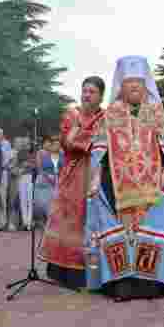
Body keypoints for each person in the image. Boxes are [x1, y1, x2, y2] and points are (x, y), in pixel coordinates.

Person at [83, 56, 164, 301]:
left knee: (150, 233)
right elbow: (100, 151)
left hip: (153, 187)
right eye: (129, 82)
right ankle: (120, 283)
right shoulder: (111, 114)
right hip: (116, 187)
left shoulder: (156, 112)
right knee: (120, 235)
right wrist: (94, 179)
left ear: (146, 85)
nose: (134, 86)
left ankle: (149, 284)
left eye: (138, 82)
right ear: (121, 86)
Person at [40, 77, 107, 290]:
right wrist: (93, 139)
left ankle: (93, 271)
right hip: (73, 176)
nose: (87, 95)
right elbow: (69, 142)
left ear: (101, 96)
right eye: (84, 90)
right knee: (68, 221)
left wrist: (92, 137)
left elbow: (107, 141)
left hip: (97, 175)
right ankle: (64, 272)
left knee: (93, 220)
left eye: (92, 92)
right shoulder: (72, 114)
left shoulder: (106, 117)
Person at [34, 134, 62, 226]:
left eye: (57, 144)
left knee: (56, 204)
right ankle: (45, 222)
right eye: (53, 143)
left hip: (57, 181)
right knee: (44, 204)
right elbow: (40, 168)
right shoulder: (44, 154)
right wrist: (48, 176)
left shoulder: (61, 154)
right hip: (45, 182)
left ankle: (53, 223)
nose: (55, 145)